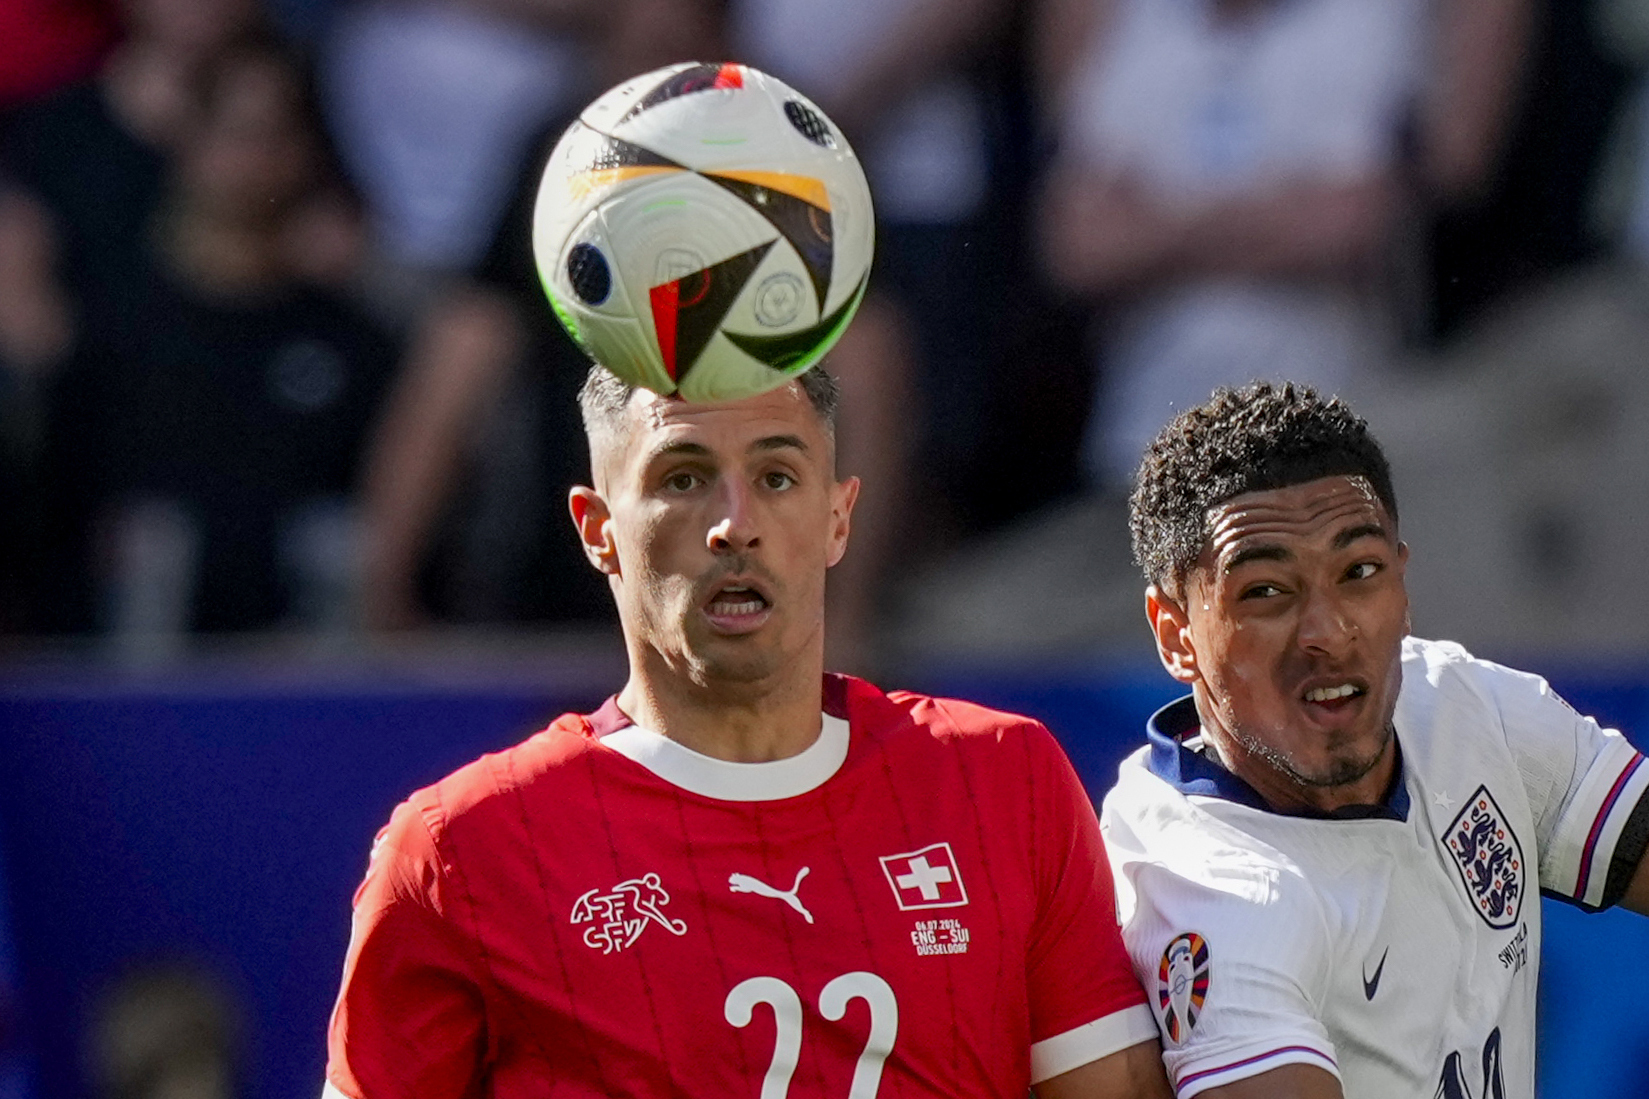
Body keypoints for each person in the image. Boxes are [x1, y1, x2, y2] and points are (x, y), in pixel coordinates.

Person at [324, 365, 1173, 1098]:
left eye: (776, 476)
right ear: (597, 529)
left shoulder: (1000, 780)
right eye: (683, 477)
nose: (735, 523)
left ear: (839, 517)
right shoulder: (459, 850)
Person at [1100, 382, 1649, 1098]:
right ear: (1175, 633)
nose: (1327, 632)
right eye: (1266, 590)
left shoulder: (1464, 705)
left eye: (1358, 572)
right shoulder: (1212, 891)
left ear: (1402, 582)